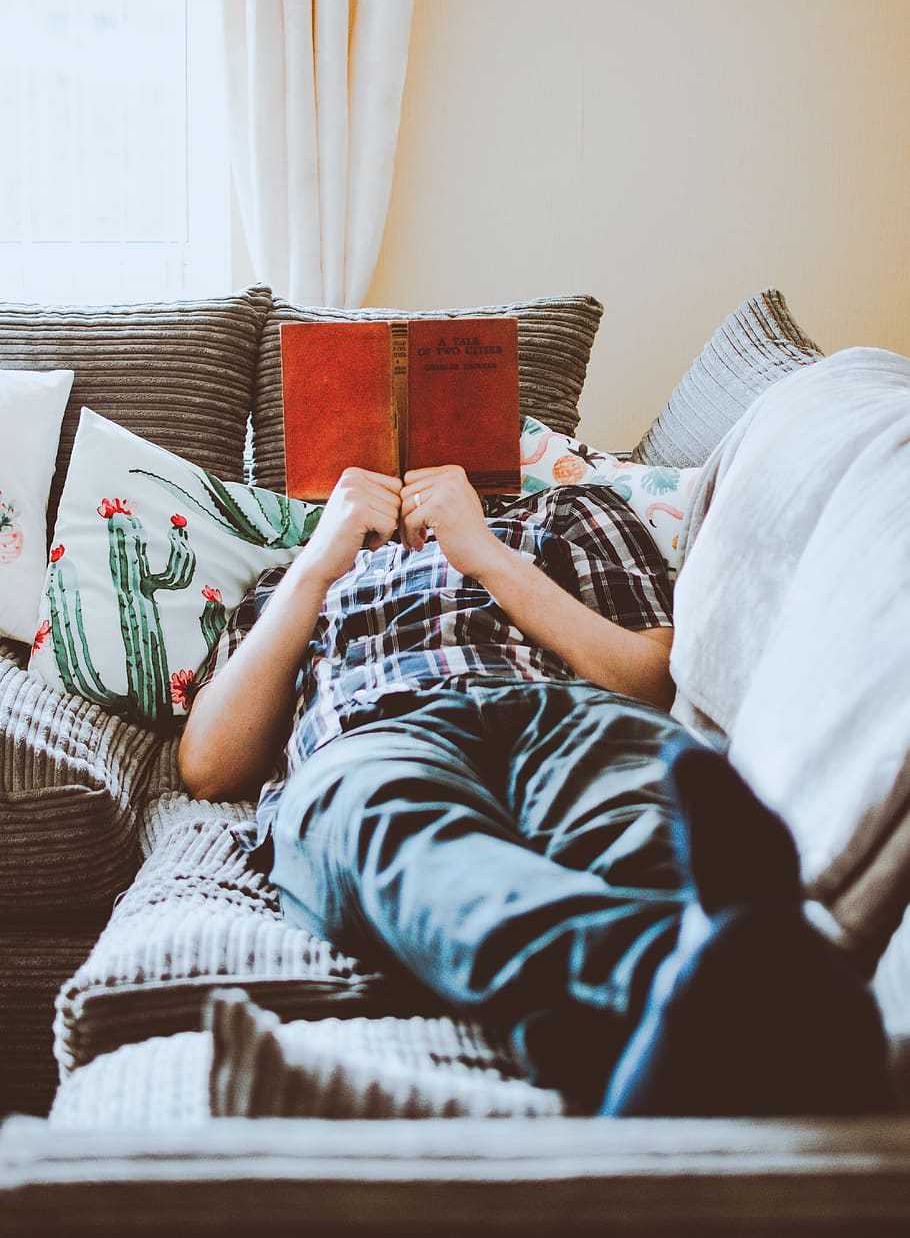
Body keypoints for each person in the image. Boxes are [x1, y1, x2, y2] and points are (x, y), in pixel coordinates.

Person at [179, 463, 892, 1116]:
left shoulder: (574, 508)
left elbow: (653, 681)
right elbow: (209, 766)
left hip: (564, 713)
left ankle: (695, 985)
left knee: (642, 820)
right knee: (407, 841)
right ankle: (733, 986)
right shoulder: (285, 581)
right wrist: (315, 566)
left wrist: (485, 550)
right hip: (373, 736)